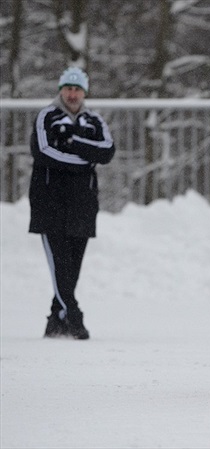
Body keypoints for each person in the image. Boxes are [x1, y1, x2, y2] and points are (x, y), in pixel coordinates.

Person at [30, 67, 116, 340]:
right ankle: (75, 317)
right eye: (68, 88)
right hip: (49, 202)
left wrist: (72, 141)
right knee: (59, 264)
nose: (72, 94)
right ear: (60, 90)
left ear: (84, 92)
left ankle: (56, 319)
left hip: (83, 203)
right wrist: (83, 159)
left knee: (73, 265)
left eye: (77, 89)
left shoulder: (94, 120)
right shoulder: (47, 116)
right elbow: (43, 152)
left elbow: (106, 152)